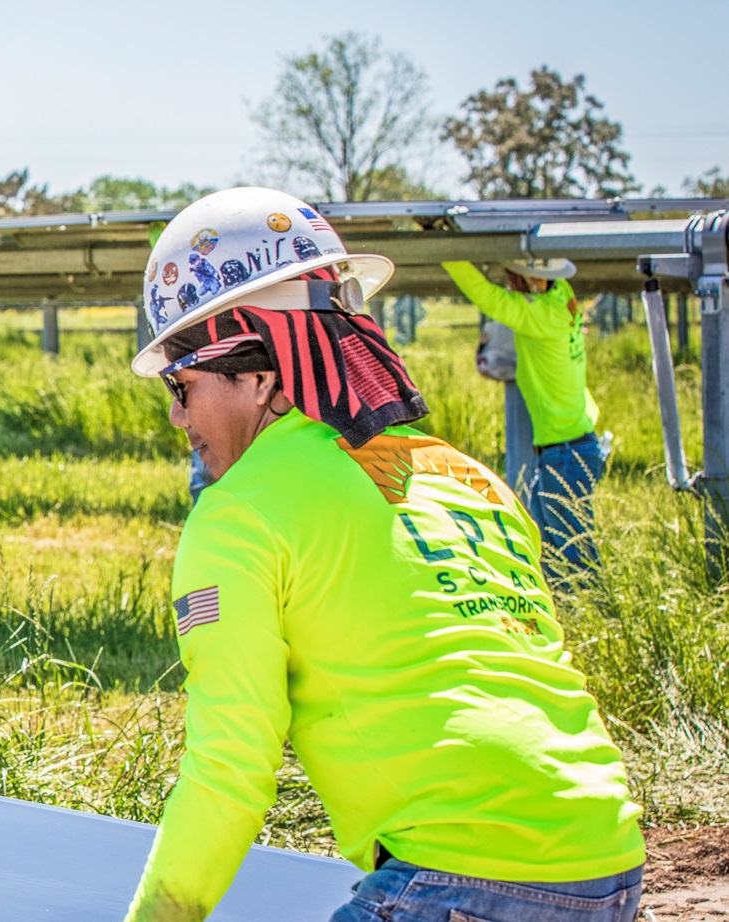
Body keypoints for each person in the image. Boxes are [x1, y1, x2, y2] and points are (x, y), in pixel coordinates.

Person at [124, 188, 643, 922]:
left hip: (463, 876)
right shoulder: (470, 476)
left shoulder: (237, 517)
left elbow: (229, 768)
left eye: (182, 384)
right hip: (607, 861)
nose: (177, 414)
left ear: (261, 372)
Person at [442, 258, 602, 579]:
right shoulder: (560, 297)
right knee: (550, 554)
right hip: (566, 449)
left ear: (532, 282)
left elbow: (488, 297)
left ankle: (592, 618)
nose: (510, 285)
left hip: (566, 454)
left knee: (573, 559)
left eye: (514, 278)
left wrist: (451, 254)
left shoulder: (540, 315)